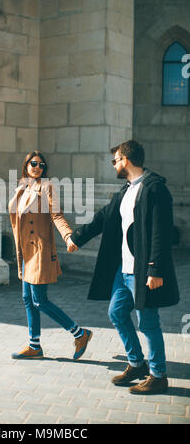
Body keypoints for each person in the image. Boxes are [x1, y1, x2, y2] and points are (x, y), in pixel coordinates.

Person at [68, 140, 179, 394]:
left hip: (143, 271)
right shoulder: (125, 191)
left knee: (149, 323)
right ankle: (137, 363)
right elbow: (102, 218)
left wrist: (155, 270)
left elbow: (161, 232)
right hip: (123, 270)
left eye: (115, 160)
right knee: (117, 313)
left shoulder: (155, 189)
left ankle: (159, 375)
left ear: (125, 160)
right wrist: (76, 238)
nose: (114, 164)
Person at [9, 150, 92, 360]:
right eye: (34, 163)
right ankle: (34, 346)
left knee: (39, 300)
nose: (38, 167)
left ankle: (80, 334)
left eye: (42, 165)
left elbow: (56, 214)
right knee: (28, 299)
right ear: (26, 164)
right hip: (25, 252)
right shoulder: (21, 188)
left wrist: (68, 236)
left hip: (38, 250)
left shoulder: (46, 187)